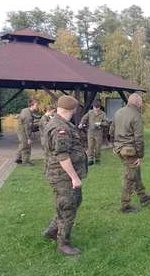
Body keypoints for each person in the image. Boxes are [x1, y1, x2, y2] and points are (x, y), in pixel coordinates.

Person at [41, 95, 87, 256]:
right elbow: (63, 156)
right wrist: (74, 177)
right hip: (63, 176)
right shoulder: (60, 128)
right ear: (72, 110)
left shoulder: (61, 123)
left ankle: (52, 230)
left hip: (62, 175)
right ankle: (64, 243)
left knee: (73, 201)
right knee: (68, 207)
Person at [109, 93, 150, 213]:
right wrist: (140, 155)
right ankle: (125, 205)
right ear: (139, 103)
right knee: (129, 178)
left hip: (120, 149)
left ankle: (143, 196)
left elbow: (111, 131)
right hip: (130, 151)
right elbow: (139, 138)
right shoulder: (137, 115)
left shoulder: (118, 112)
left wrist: (114, 145)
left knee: (135, 173)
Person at [79, 101, 109, 166]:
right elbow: (84, 118)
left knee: (98, 147)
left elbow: (106, 123)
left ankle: (97, 159)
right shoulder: (90, 112)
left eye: (97, 108)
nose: (95, 109)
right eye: (94, 107)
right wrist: (81, 123)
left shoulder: (102, 114)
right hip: (90, 132)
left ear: (99, 107)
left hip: (98, 132)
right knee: (90, 146)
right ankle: (90, 160)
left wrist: (101, 123)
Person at [15, 99, 39, 166]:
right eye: (36, 105)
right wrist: (29, 137)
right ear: (31, 105)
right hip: (23, 131)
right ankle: (25, 161)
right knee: (26, 145)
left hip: (20, 130)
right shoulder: (28, 114)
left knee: (22, 144)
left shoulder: (25, 110)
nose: (38, 107)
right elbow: (27, 126)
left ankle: (18, 158)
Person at [39, 105, 56, 174]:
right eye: (52, 112)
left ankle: (49, 169)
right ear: (48, 111)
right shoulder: (44, 119)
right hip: (45, 140)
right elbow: (47, 129)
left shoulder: (48, 118)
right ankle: (45, 170)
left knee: (50, 154)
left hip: (48, 139)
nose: (53, 113)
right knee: (46, 155)